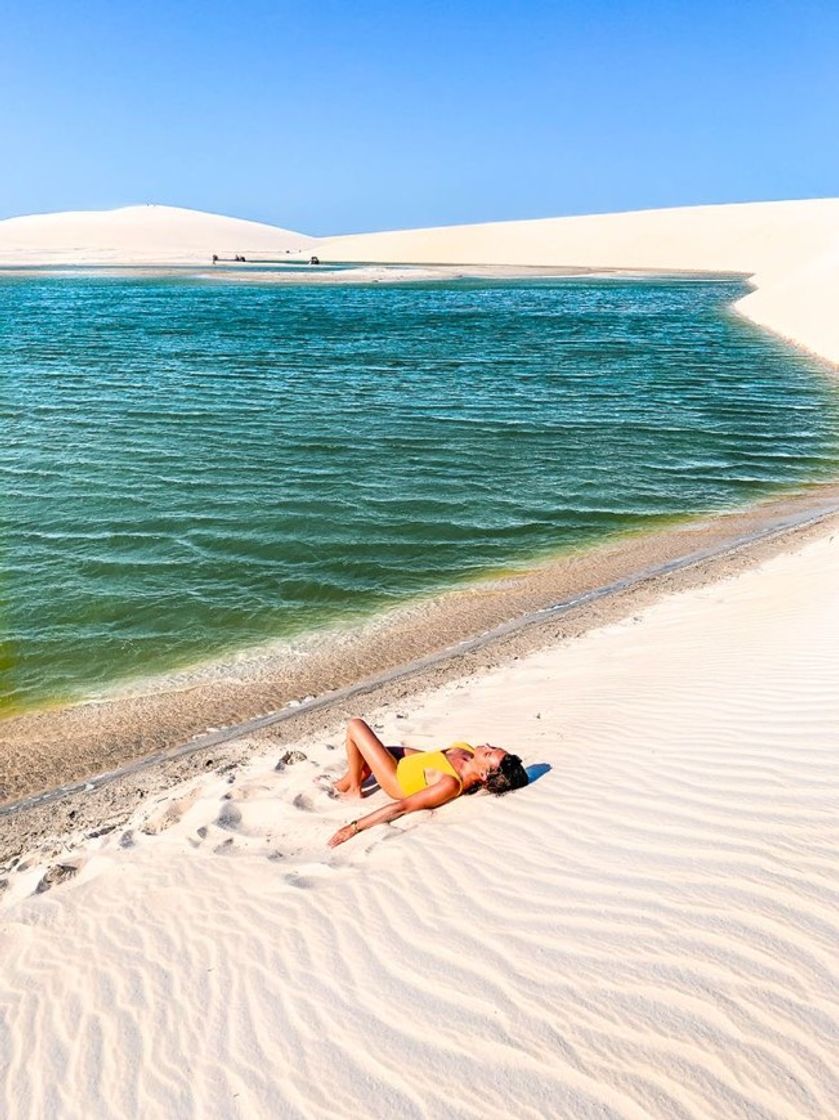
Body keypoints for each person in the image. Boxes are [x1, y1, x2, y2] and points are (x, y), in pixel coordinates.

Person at [328, 717, 528, 847]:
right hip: (409, 764)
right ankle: (347, 783)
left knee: (356, 726)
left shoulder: (451, 783)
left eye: (488, 752)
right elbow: (432, 759)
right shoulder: (469, 753)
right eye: (492, 747)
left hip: (395, 779)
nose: (485, 745)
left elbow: (402, 806)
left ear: (484, 774)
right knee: (369, 754)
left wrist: (354, 827)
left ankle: (354, 787)